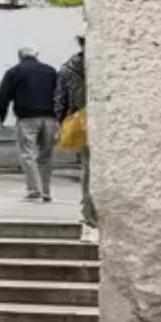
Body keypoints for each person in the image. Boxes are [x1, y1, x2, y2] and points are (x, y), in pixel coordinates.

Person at [0, 45, 60, 202]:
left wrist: (1, 116)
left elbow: (2, 96)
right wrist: (61, 117)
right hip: (50, 118)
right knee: (46, 155)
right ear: (37, 55)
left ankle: (34, 190)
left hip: (27, 118)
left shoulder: (14, 71)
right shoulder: (51, 71)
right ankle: (46, 191)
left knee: (28, 154)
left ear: (20, 56)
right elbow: (60, 93)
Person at [56, 35, 96, 227]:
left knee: (88, 167)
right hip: (101, 118)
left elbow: (60, 100)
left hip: (80, 121)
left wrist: (62, 121)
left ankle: (87, 208)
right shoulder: (102, 63)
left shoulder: (68, 68)